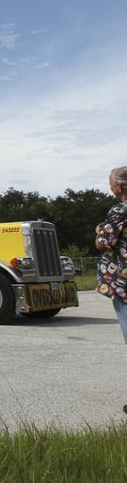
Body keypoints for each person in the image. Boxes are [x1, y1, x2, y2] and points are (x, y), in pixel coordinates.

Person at [94, 166, 127, 412]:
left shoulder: (119, 210)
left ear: (120, 187)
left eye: (111, 184)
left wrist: (100, 232)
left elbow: (104, 242)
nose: (110, 188)